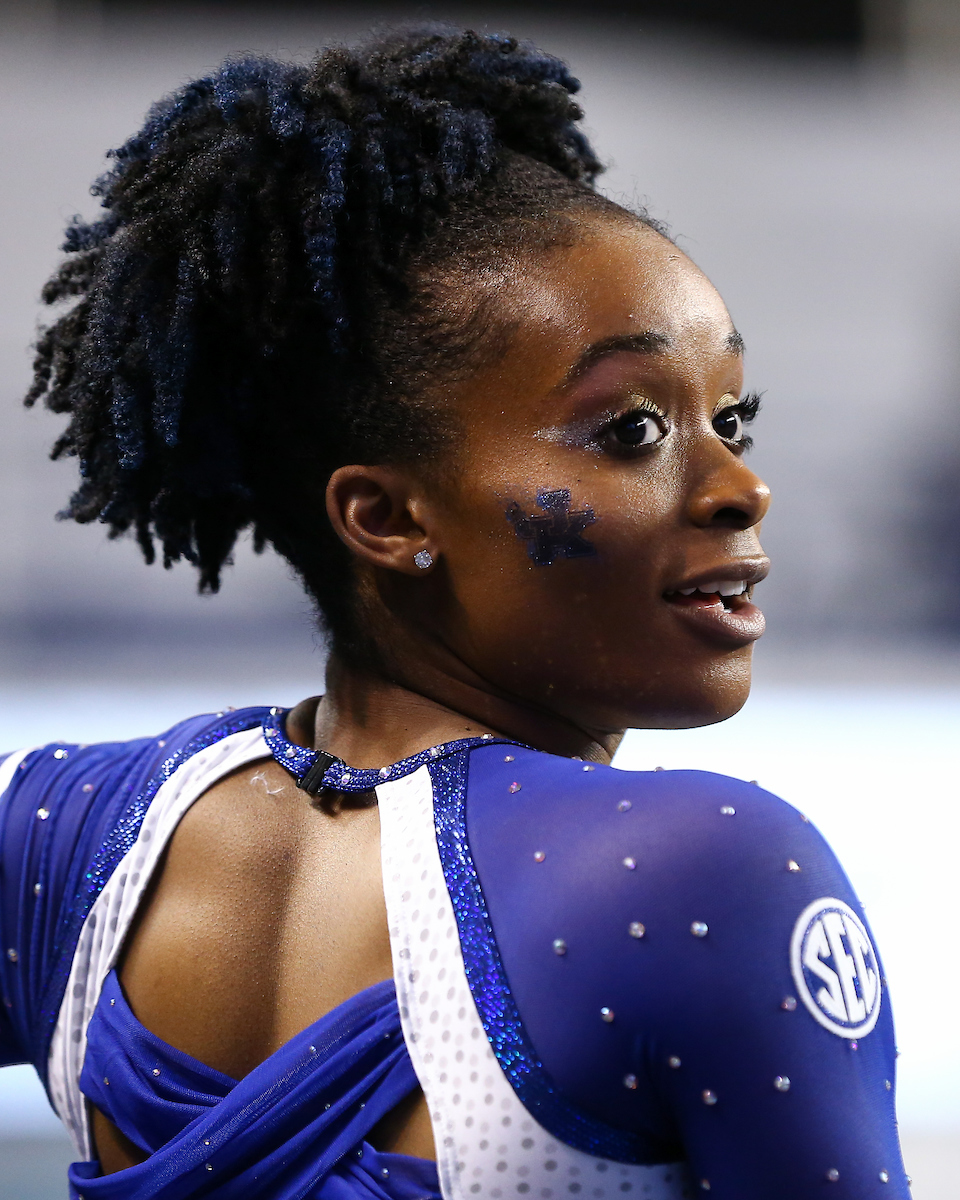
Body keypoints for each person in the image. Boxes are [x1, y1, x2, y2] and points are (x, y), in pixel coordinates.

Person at [0, 25, 906, 1200]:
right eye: (632, 429)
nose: (741, 488)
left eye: (730, 419)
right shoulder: (700, 874)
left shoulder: (58, 834)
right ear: (386, 518)